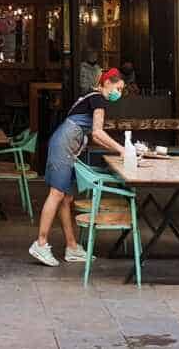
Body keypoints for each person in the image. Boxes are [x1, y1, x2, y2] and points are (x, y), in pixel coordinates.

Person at [29, 68, 126, 267]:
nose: (119, 93)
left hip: (66, 144)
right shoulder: (98, 99)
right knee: (56, 194)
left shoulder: (89, 97)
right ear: (107, 82)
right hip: (65, 145)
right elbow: (98, 133)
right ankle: (40, 242)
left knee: (66, 197)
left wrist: (118, 149)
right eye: (119, 87)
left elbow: (94, 135)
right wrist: (122, 150)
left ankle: (72, 246)